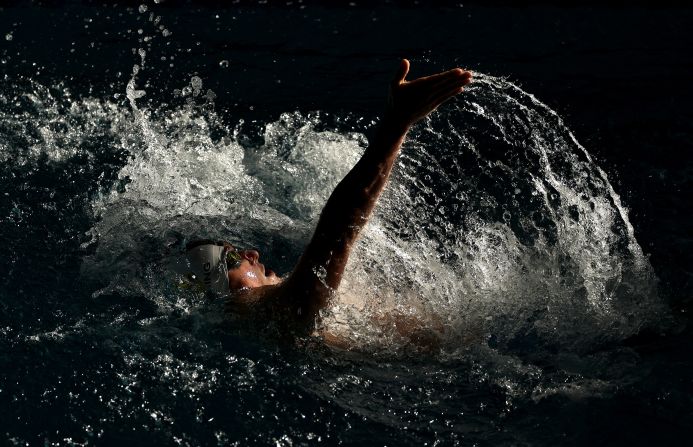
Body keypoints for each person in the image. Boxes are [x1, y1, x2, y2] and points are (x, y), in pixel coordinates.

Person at [183, 59, 472, 339]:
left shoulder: (270, 316)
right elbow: (337, 230)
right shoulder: (282, 312)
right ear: (222, 291)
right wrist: (396, 123)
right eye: (233, 258)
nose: (251, 254)